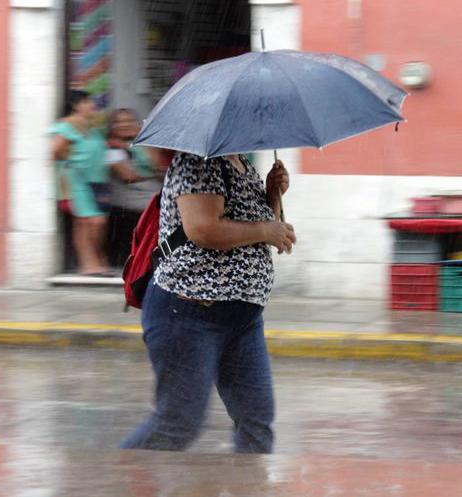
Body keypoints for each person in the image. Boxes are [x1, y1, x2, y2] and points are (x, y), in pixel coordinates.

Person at [119, 152, 295, 454]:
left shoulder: (240, 161)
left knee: (256, 421)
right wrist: (267, 230)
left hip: (242, 320)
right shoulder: (198, 161)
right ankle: (117, 481)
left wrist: (272, 195)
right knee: (177, 425)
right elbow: (202, 228)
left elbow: (251, 225)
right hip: (188, 314)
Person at [49, 90, 112, 276]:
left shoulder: (91, 129)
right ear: (77, 105)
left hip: (97, 182)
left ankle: (96, 260)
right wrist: (70, 165)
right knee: (89, 222)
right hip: (78, 181)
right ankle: (88, 264)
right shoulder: (67, 127)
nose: (93, 105)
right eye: (88, 102)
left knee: (96, 222)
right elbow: (54, 151)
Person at [105, 109, 170, 268]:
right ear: (112, 127)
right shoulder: (111, 148)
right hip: (128, 211)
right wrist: (152, 173)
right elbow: (128, 176)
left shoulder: (143, 146)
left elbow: (158, 166)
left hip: (154, 207)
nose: (124, 125)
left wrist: (143, 141)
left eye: (128, 121)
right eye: (119, 122)